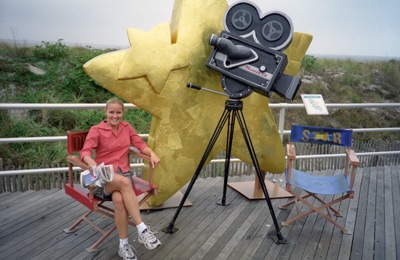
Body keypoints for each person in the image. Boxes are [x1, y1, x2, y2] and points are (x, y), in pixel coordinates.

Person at [80, 97, 161, 260]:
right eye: (111, 112)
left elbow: (139, 144)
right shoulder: (96, 130)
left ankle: (123, 245)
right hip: (104, 179)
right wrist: (91, 163)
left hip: (123, 174)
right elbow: (85, 152)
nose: (115, 116)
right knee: (124, 182)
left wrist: (152, 154)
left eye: (118, 112)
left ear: (123, 113)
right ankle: (142, 229)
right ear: (106, 112)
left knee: (118, 200)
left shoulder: (127, 128)